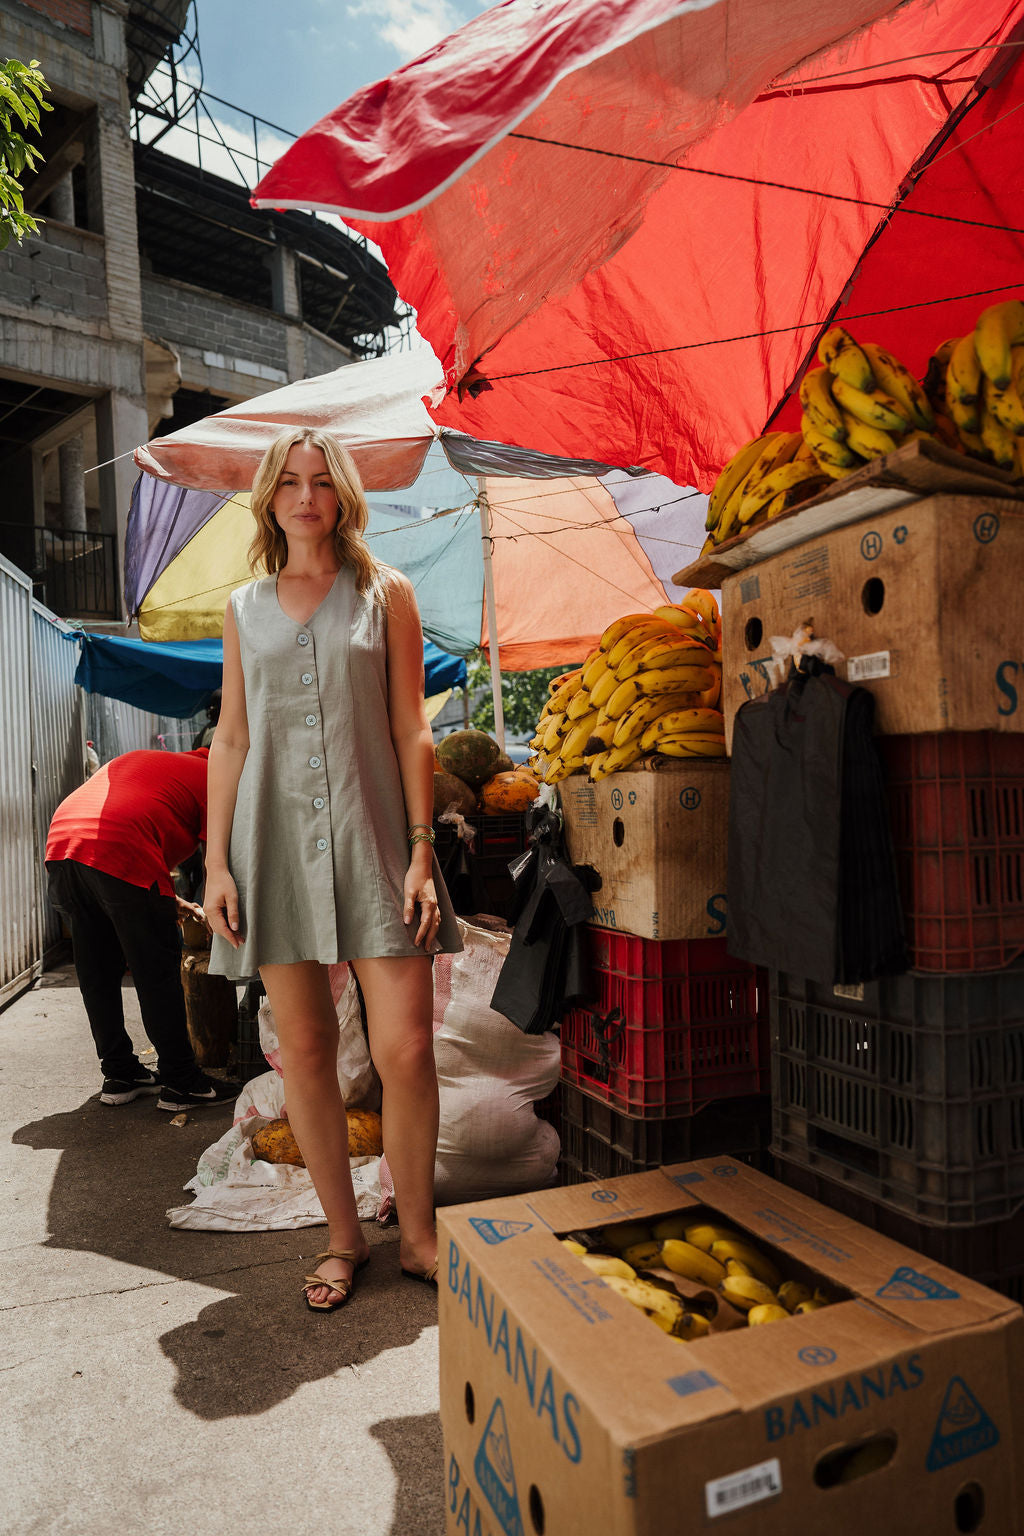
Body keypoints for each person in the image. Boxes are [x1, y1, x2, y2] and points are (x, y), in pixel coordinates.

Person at [204, 427, 461, 1313]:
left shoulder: (385, 594)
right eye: (290, 482)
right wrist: (215, 866)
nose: (306, 497)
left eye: (322, 481)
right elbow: (231, 736)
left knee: (407, 1048)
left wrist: (424, 846)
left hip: (376, 836)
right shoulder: (243, 609)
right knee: (307, 1050)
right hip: (271, 843)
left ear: (343, 494)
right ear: (270, 497)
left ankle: (419, 1235)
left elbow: (410, 728)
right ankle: (344, 1237)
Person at [45, 748, 240, 1111]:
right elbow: (224, 860)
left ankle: (121, 1073)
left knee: (97, 971)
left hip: (63, 846)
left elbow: (135, 820)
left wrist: (168, 901)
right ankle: (182, 1081)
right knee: (157, 973)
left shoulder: (161, 764)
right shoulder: (218, 775)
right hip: (117, 844)